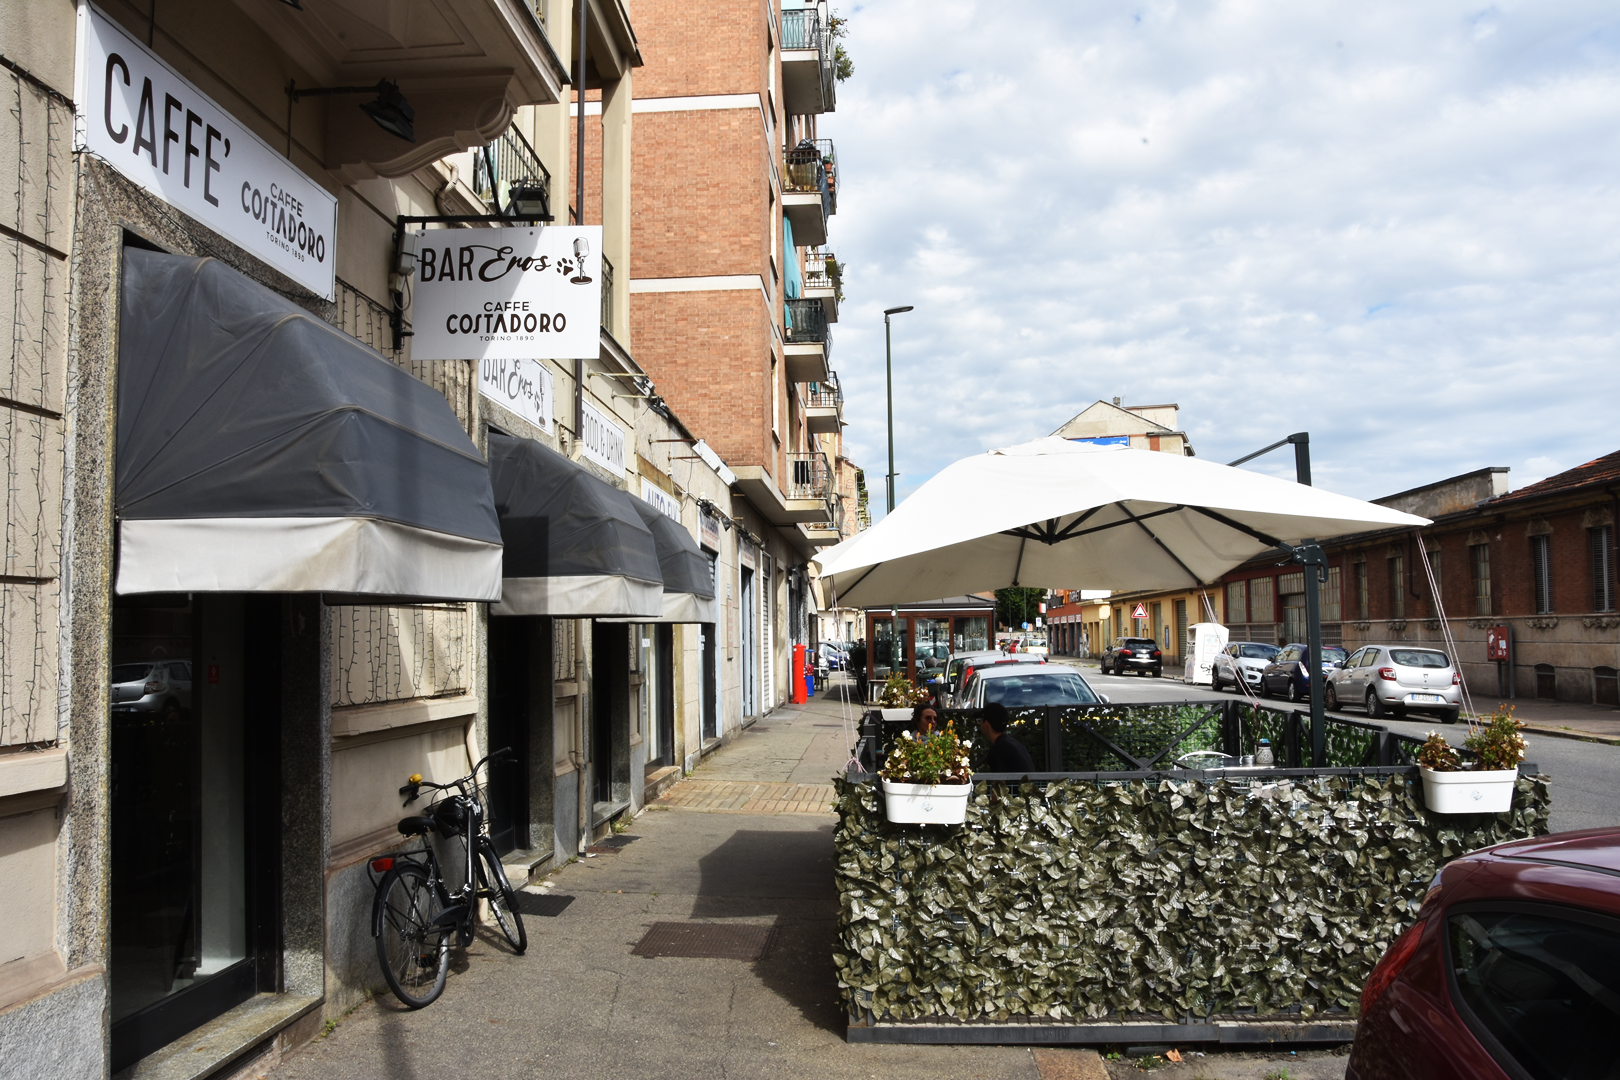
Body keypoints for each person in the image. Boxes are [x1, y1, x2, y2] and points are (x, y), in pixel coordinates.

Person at [979, 702, 1035, 774]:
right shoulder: (1013, 744)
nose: (980, 723)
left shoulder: (997, 749)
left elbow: (999, 780)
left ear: (986, 723)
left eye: (981, 720)